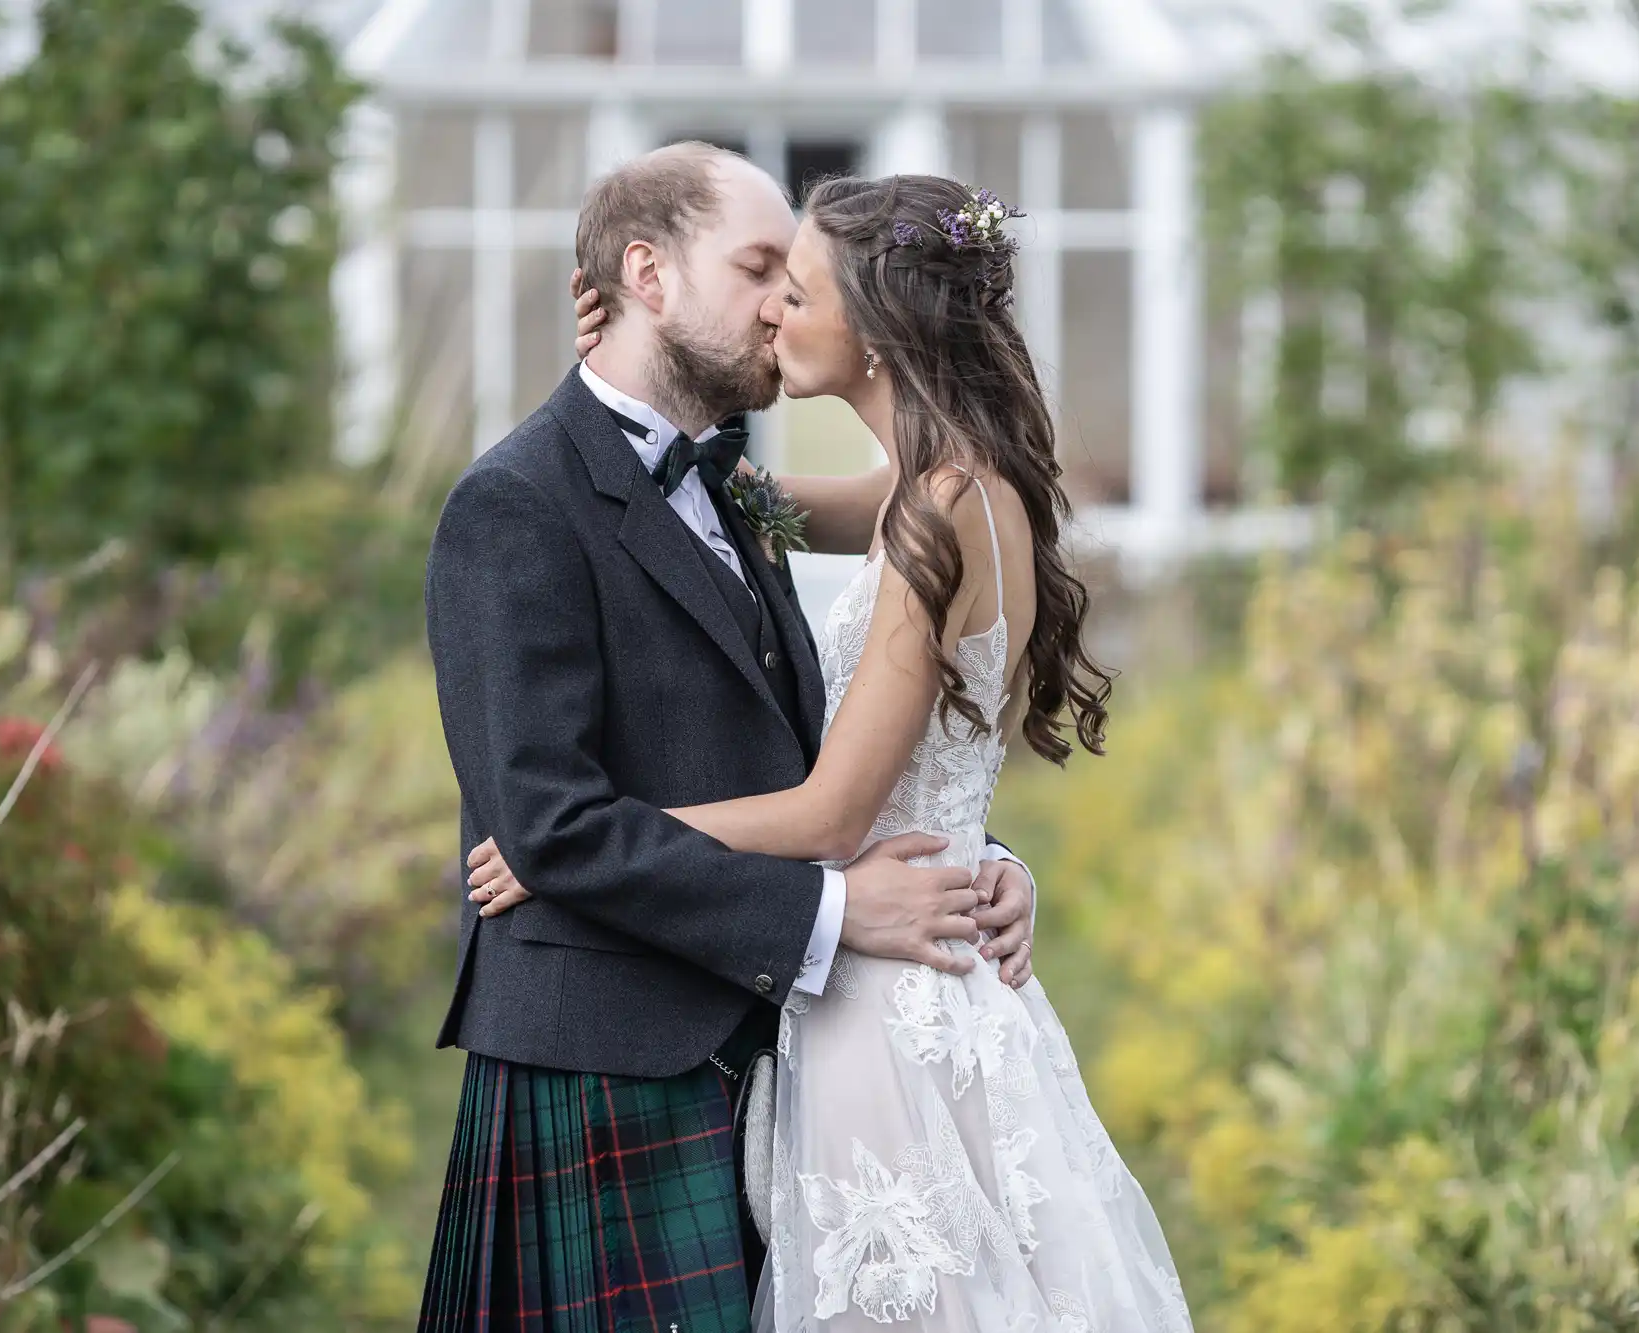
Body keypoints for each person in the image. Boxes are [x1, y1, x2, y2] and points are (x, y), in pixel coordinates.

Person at [468, 171, 1195, 1330]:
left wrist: (568, 843)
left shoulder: (934, 514)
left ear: (872, 323)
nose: (770, 314)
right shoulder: (943, 482)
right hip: (930, 972)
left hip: (886, 1001)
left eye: (791, 290)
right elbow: (746, 498)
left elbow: (827, 818)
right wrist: (636, 359)